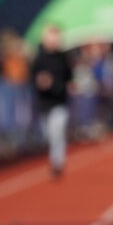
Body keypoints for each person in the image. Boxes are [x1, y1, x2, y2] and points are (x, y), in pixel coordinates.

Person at [30, 24, 73, 177]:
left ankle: (57, 162)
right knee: (46, 135)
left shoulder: (63, 57)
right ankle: (55, 159)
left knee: (57, 132)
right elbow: (32, 78)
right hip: (43, 102)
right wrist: (40, 82)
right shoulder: (39, 58)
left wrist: (58, 85)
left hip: (59, 101)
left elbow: (69, 78)